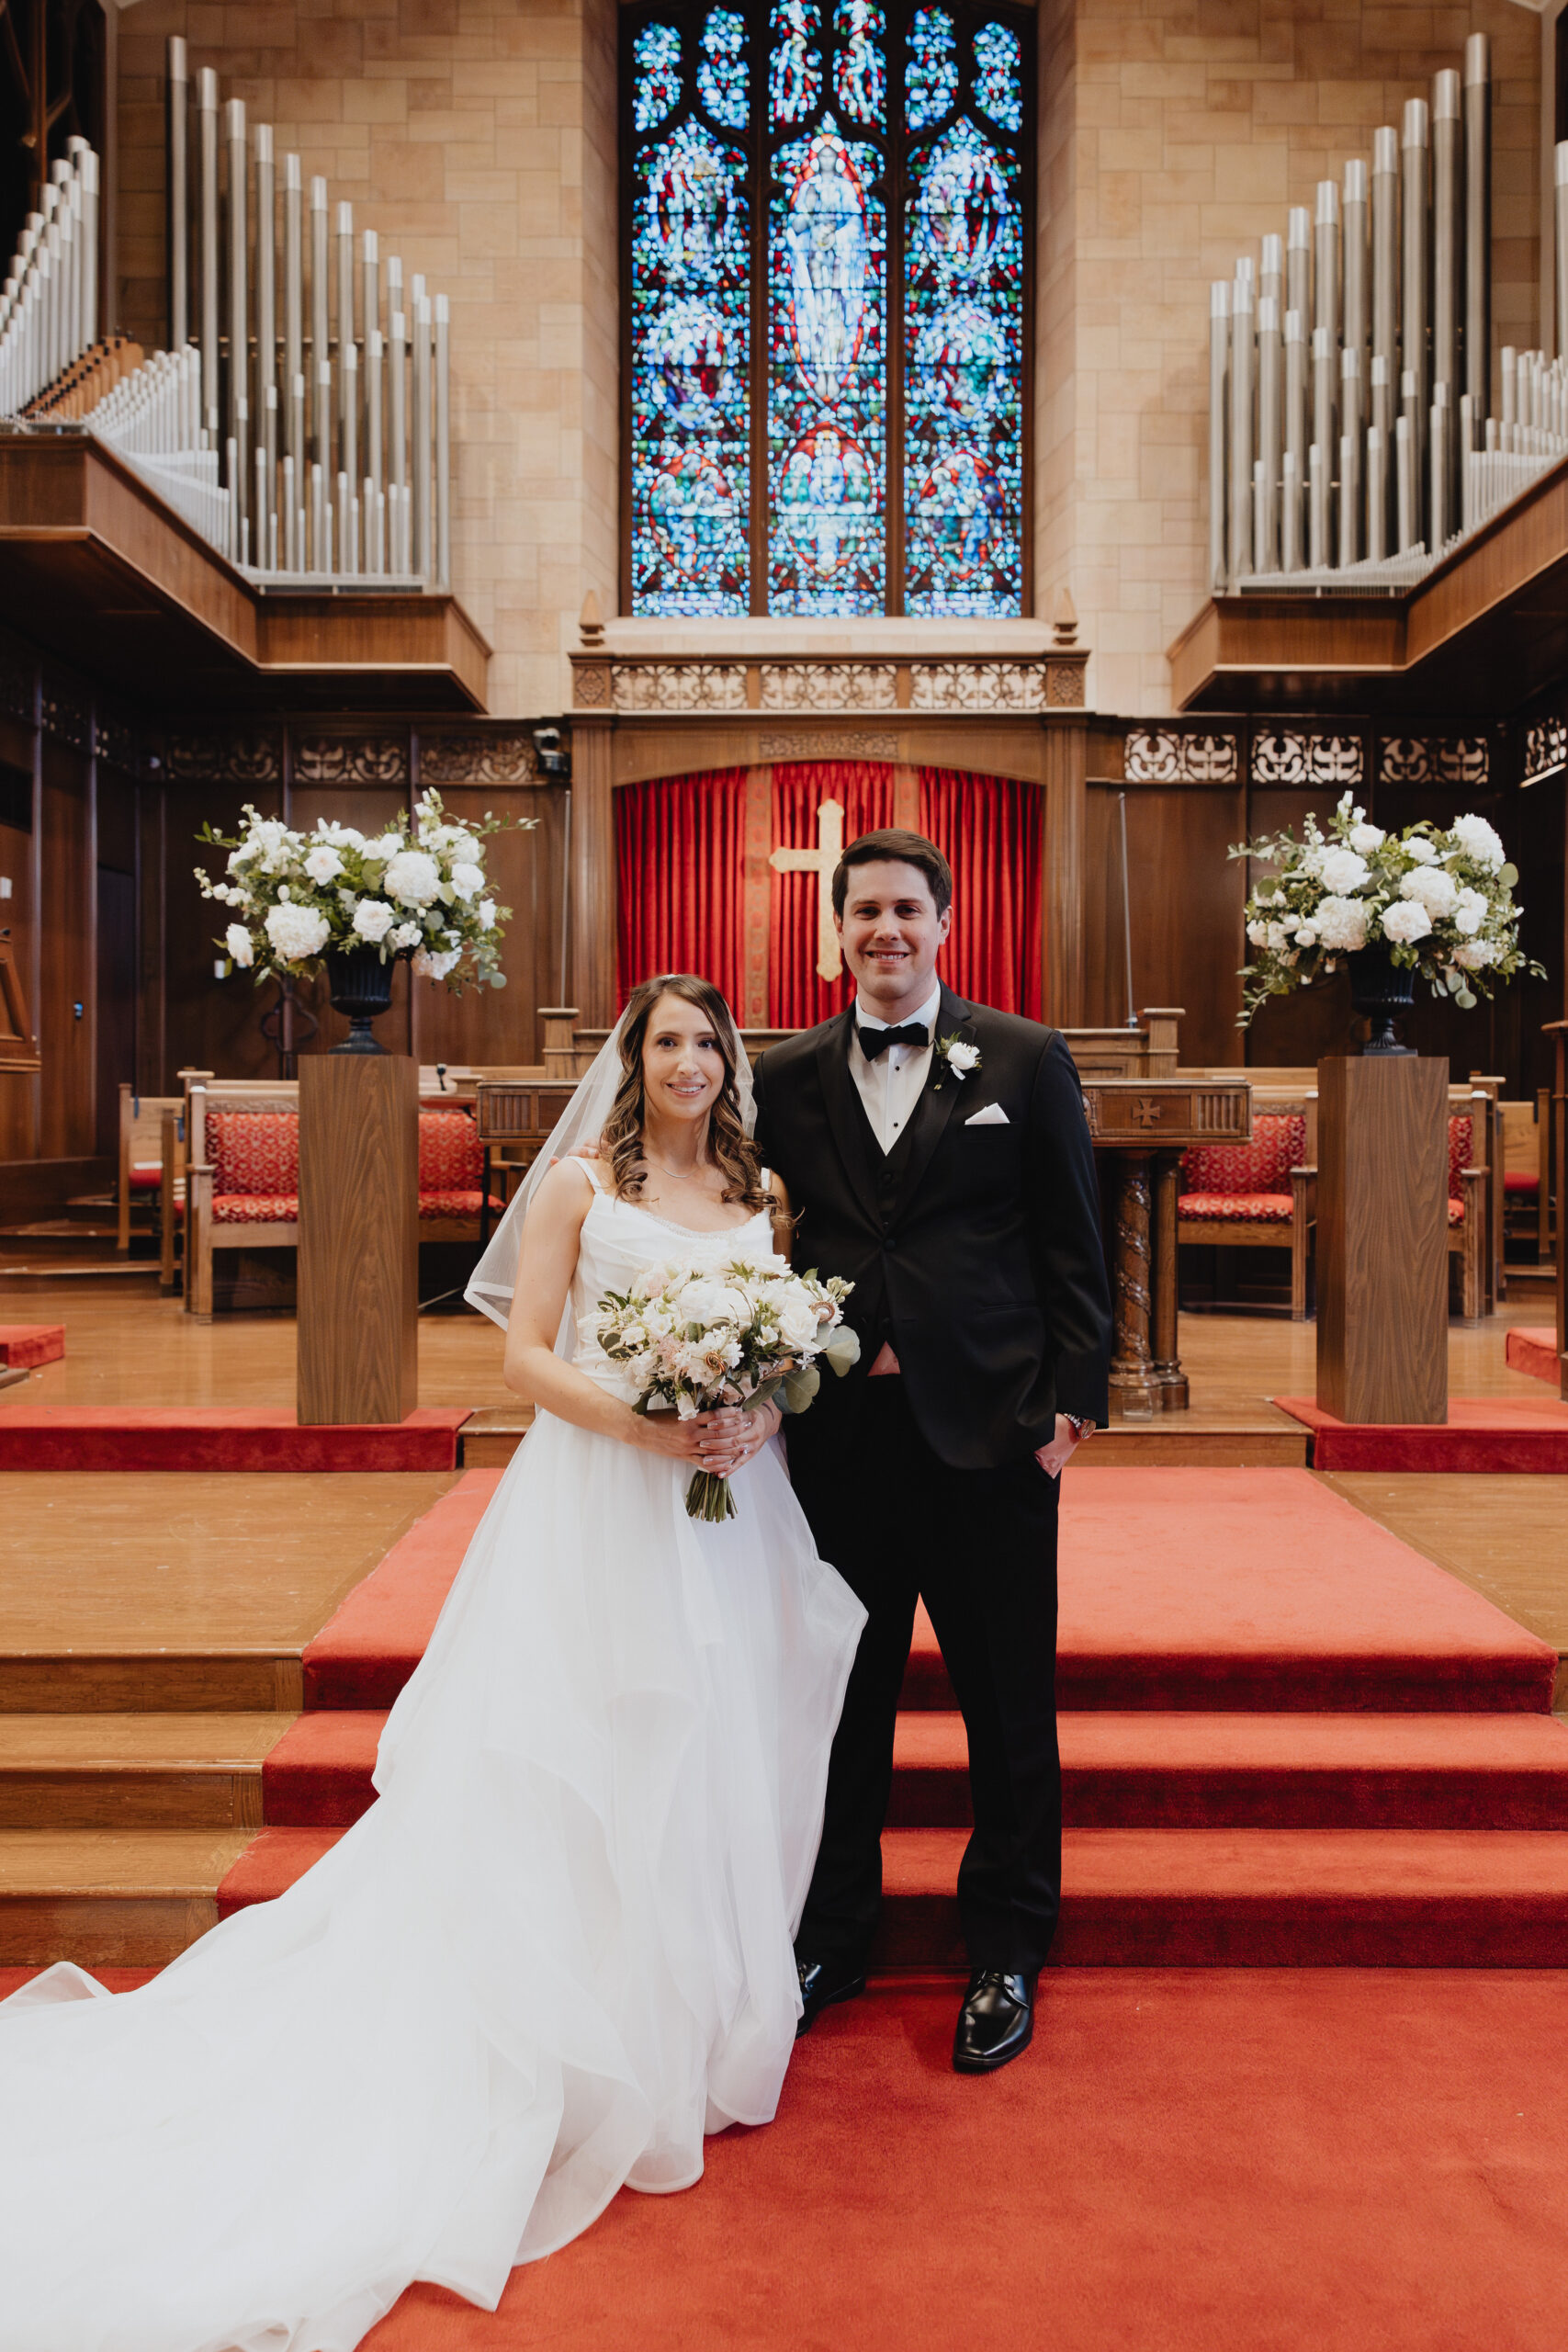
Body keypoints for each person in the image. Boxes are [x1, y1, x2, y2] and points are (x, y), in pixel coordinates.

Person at [0, 975, 864, 2352]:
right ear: (630, 1062)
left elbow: (778, 1350)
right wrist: (651, 1432)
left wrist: (753, 1409)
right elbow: (523, 1358)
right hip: (602, 1501)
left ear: (732, 1063)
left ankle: (681, 2019)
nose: (689, 1063)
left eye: (709, 1043)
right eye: (665, 1044)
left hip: (729, 1512)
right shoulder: (584, 1184)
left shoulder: (761, 1198)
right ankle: (566, 2035)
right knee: (589, 1745)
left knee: (709, 1736)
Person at [752, 829, 1112, 2075]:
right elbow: (761, 1241)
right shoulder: (786, 1075)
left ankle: (1006, 1947)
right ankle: (833, 1934)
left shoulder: (1023, 1056)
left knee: (1006, 1704)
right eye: (865, 913)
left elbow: (1077, 1240)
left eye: (908, 909)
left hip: (991, 1436)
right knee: (841, 1702)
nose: (886, 931)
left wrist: (1073, 1403)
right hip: (838, 1442)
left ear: (945, 923)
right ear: (835, 930)